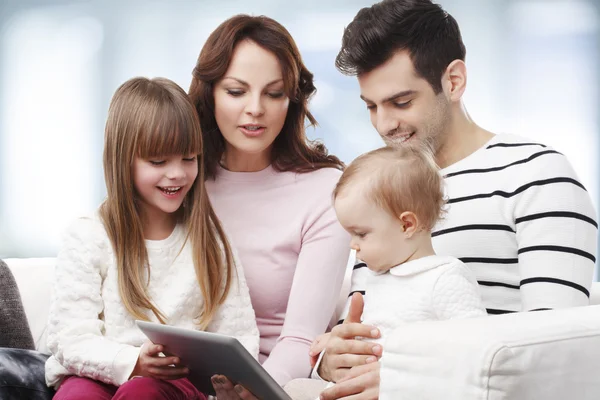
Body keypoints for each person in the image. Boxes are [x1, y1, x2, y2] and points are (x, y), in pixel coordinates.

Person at [312, 1, 598, 399]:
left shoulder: (537, 173)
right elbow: (373, 317)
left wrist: (409, 381)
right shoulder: (378, 190)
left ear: (454, 81)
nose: (383, 124)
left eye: (401, 102)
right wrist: (331, 360)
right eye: (371, 107)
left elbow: (556, 351)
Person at [45, 77, 259, 400]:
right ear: (123, 161)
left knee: (142, 392)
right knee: (76, 396)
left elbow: (238, 336)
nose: (177, 173)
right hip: (99, 373)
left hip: (177, 386)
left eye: (189, 158)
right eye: (158, 161)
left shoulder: (210, 240)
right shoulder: (88, 234)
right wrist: (131, 361)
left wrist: (236, 386)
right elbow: (69, 337)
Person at [188, 14, 352, 398]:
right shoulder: (183, 182)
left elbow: (300, 339)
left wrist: (253, 390)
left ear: (292, 100)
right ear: (209, 93)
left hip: (275, 384)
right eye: (236, 91)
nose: (255, 109)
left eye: (274, 93)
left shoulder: (325, 190)